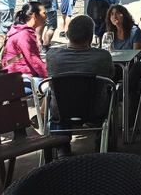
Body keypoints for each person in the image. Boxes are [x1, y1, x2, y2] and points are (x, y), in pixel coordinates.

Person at [45, 15, 116, 157]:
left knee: (60, 99)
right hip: (95, 110)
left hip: (60, 111)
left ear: (68, 34)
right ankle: (101, 142)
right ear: (91, 37)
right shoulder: (102, 56)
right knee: (111, 92)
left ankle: (62, 147)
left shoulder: (52, 55)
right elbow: (110, 76)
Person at [2, 2, 48, 88]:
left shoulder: (23, 31)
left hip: (23, 75)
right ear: (34, 15)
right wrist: (51, 73)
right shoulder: (24, 35)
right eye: (44, 13)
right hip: (19, 79)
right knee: (50, 85)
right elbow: (34, 60)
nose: (46, 16)